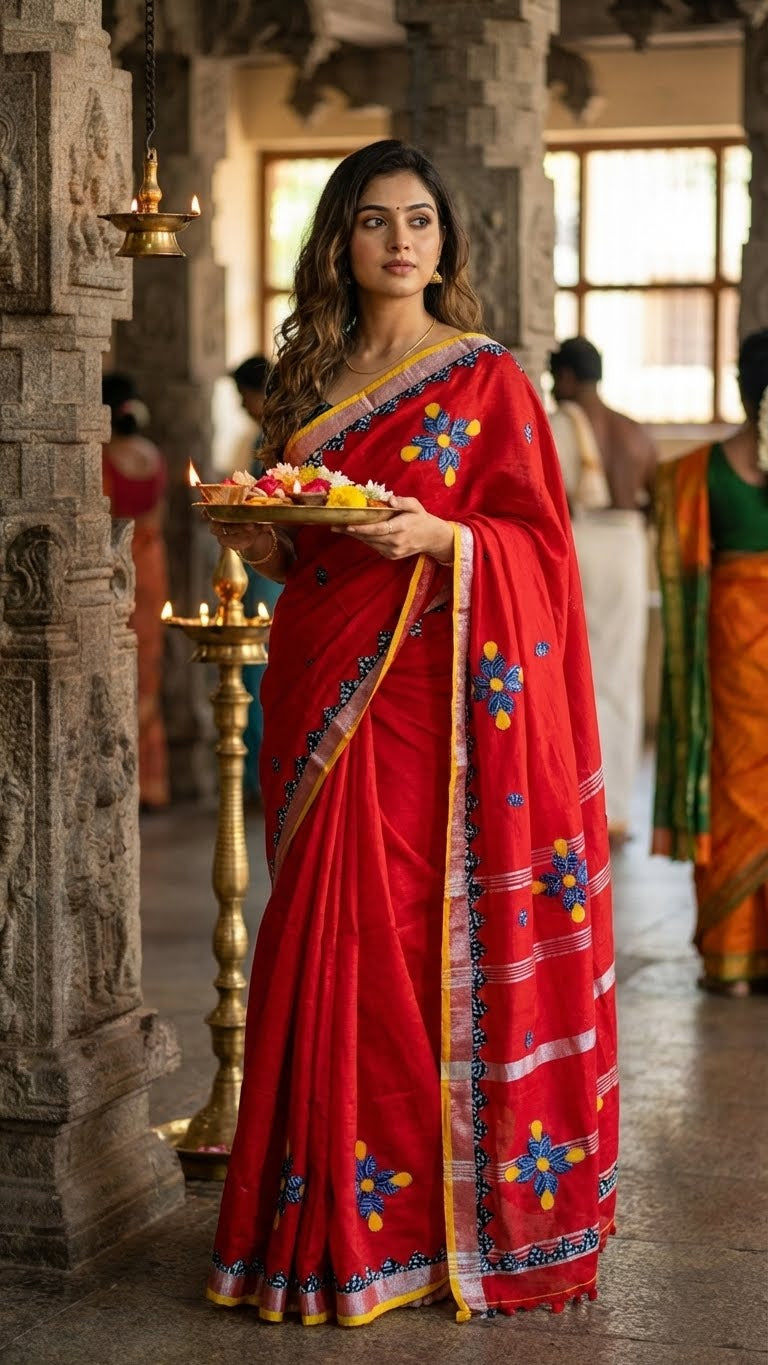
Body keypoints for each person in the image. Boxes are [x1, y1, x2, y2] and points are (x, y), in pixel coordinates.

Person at [204, 140, 618, 1326]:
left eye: (421, 221)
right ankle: (311, 1210)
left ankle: (413, 1229)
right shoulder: (313, 379)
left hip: (429, 696)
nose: (400, 241)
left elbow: (536, 544)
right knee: (311, 931)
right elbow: (302, 543)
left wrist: (444, 540)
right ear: (340, 239)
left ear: (447, 241)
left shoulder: (487, 381)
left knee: (392, 934)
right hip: (321, 675)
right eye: (376, 220)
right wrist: (264, 544)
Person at [653, 328, 768, 998]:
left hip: (729, 646)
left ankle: (734, 955)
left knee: (732, 785)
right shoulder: (697, 471)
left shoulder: (700, 472)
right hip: (734, 651)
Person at [549, 337, 657, 846]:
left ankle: (577, 800)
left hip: (581, 540)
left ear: (568, 377)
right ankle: (615, 810)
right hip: (629, 546)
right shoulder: (636, 432)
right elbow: (656, 498)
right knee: (621, 672)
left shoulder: (559, 425)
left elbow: (545, 495)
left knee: (572, 669)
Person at [101, 372, 170, 810]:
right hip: (152, 562)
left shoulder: (105, 458)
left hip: (116, 565)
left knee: (116, 663)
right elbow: (157, 516)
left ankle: (121, 778)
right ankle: (153, 782)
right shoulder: (154, 456)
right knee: (148, 662)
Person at [230, 354, 282, 804]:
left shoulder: (277, 437)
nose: (243, 406)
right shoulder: (269, 434)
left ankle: (262, 780)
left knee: (260, 667)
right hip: (268, 561)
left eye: (243, 396)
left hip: (274, 566)